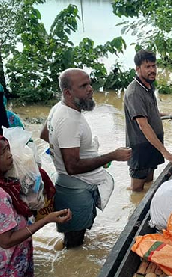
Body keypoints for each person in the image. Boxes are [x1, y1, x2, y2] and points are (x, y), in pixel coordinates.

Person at [40, 68, 132, 248]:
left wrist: (65, 152)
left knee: (74, 239)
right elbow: (72, 167)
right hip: (75, 189)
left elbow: (44, 134)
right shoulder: (69, 120)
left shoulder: (59, 108)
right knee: (74, 246)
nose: (90, 89)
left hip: (70, 185)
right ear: (68, 92)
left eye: (90, 83)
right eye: (83, 86)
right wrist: (112, 156)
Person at [0, 133, 71, 277]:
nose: (9, 155)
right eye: (1, 153)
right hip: (8, 269)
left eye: (8, 149)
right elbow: (7, 241)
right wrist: (47, 219)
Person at [124, 50, 172, 192]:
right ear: (138, 69)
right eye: (147, 67)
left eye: (154, 66)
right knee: (137, 190)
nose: (152, 70)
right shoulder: (134, 92)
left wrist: (171, 115)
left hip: (152, 143)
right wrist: (166, 153)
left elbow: (151, 114)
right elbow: (143, 124)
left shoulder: (147, 86)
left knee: (149, 182)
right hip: (140, 148)